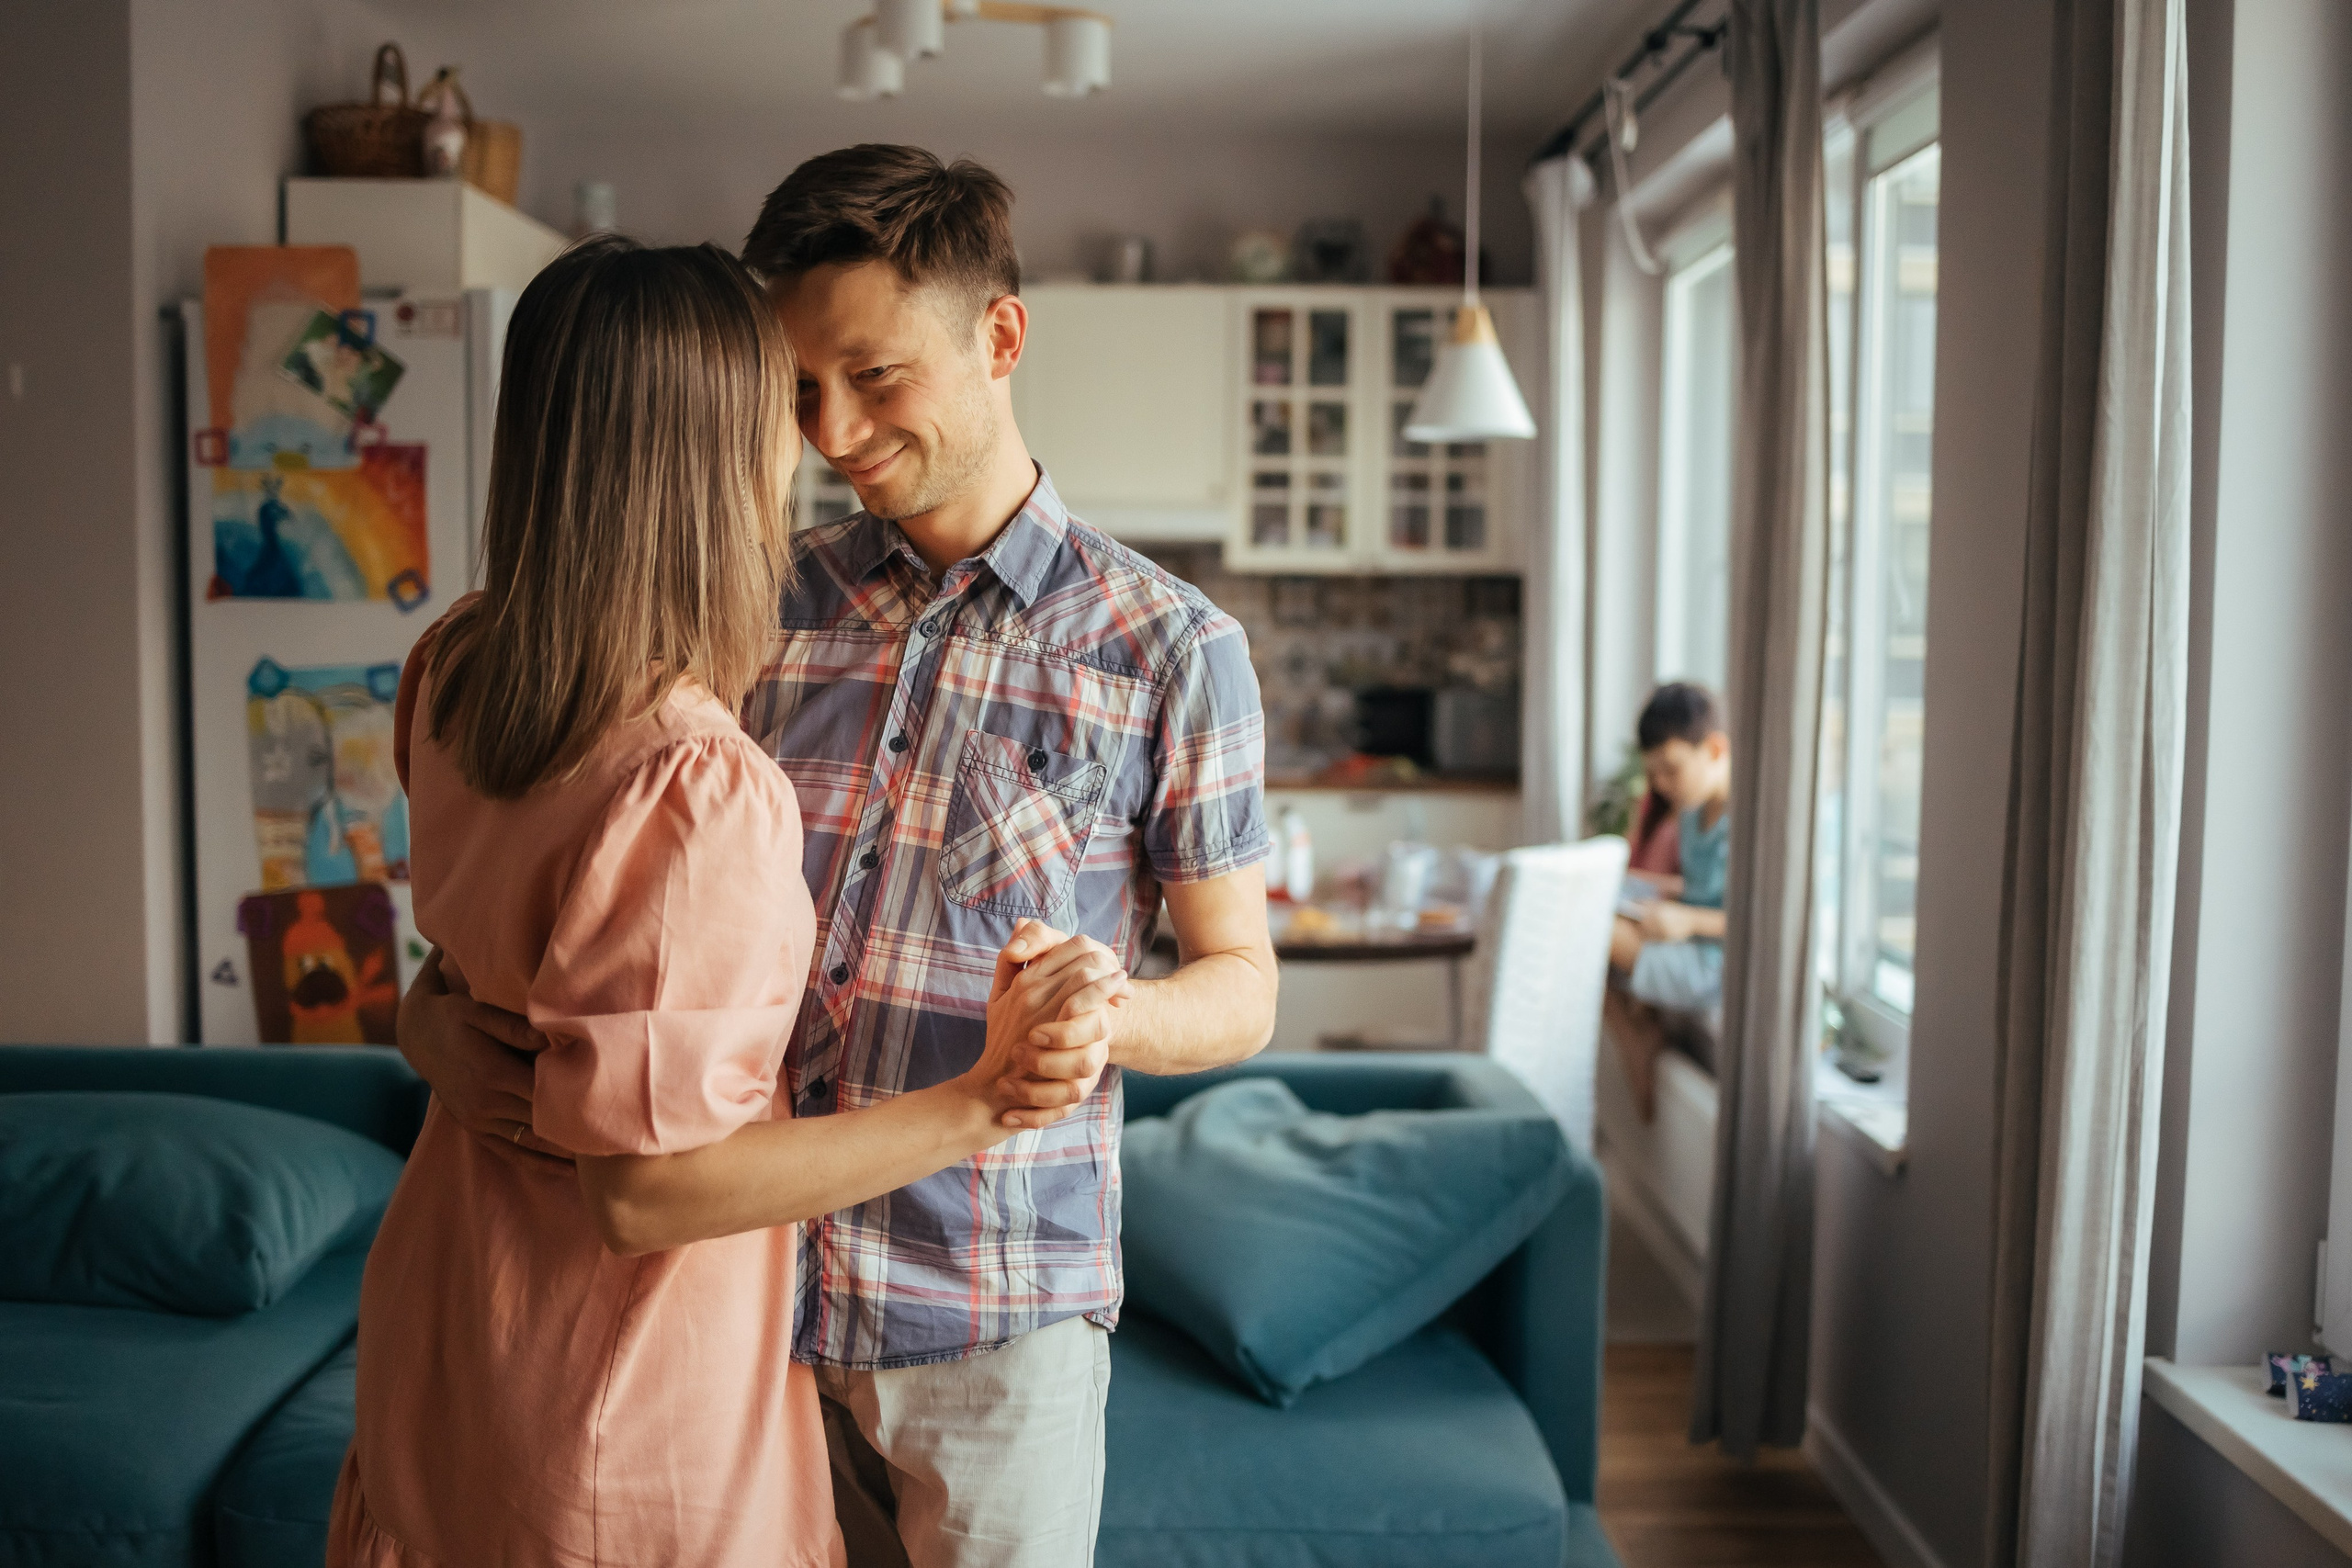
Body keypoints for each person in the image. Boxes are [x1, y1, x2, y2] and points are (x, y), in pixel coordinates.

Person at [395, 145, 1281, 1567]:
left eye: (874, 377)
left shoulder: (1171, 647)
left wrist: (1109, 1011)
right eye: (798, 390)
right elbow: (573, 892)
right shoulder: (737, 598)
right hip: (736, 1296)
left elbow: (1242, 979)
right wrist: (429, 1017)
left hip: (992, 1306)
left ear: (999, 336)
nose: (833, 431)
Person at [1604, 682, 1732, 1118]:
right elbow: (1699, 889)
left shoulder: (1744, 818)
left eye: (1670, 770)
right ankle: (1636, 1032)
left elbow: (1755, 918)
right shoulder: (1692, 813)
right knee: (1592, 905)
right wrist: (1640, 886)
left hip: (1714, 962)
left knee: (1594, 929)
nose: (1660, 785)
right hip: (1685, 938)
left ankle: (1639, 1040)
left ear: (1714, 749)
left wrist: (1689, 922)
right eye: (1652, 773)